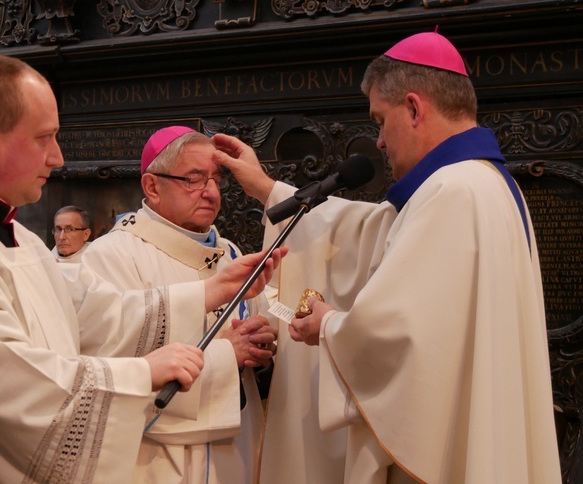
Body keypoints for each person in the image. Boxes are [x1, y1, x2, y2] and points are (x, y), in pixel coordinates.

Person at [0, 55, 283, 483]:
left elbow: (89, 314)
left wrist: (210, 290)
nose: (58, 157)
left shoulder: (14, 235)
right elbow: (2, 388)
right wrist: (141, 373)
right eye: (44, 137)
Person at [213, 30, 561, 483]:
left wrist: (329, 324)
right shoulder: (484, 183)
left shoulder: (452, 191)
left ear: (414, 108)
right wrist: (266, 187)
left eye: (380, 119)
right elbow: (376, 232)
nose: (378, 140)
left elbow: (400, 337)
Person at [79, 126, 278, 484]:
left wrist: (261, 344)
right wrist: (224, 355)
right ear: (152, 187)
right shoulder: (111, 256)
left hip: (237, 448)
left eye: (216, 179)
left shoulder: (229, 252)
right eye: (193, 179)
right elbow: (109, 363)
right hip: (156, 460)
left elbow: (254, 328)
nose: (211, 192)